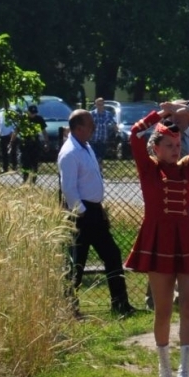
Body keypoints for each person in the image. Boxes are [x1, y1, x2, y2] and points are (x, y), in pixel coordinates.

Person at [127, 99, 189, 377]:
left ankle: (184, 374)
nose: (176, 151)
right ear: (156, 147)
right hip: (159, 242)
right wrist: (161, 113)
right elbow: (134, 134)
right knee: (162, 309)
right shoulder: (149, 168)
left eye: (178, 147)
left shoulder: (188, 168)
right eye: (169, 146)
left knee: (188, 307)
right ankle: (164, 368)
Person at [57, 108, 137, 315]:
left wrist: (97, 208)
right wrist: (82, 211)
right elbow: (68, 188)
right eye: (90, 124)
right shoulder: (69, 152)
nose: (94, 128)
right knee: (76, 262)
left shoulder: (86, 147)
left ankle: (120, 303)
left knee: (112, 254)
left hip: (93, 210)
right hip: (81, 213)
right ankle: (69, 309)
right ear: (78, 127)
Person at [19, 104, 46, 183]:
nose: (33, 114)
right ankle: (25, 179)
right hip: (25, 143)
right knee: (25, 162)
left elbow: (44, 131)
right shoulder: (24, 119)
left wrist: (46, 142)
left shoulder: (39, 119)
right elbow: (16, 131)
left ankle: (33, 180)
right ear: (28, 112)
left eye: (35, 113)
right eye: (32, 113)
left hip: (35, 143)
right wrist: (11, 142)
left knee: (34, 163)